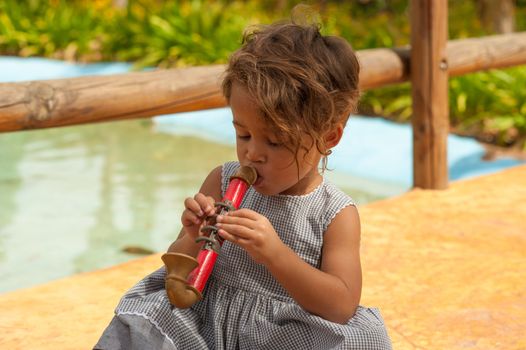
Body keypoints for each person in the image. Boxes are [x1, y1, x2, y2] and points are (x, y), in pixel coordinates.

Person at [95, 16, 392, 350]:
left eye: (276, 142)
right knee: (148, 314)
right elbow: (176, 277)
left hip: (281, 335)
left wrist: (275, 254)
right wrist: (194, 236)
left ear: (328, 136)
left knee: (366, 339)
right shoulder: (221, 181)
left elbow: (340, 306)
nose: (252, 153)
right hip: (206, 324)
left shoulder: (335, 214)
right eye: (243, 134)